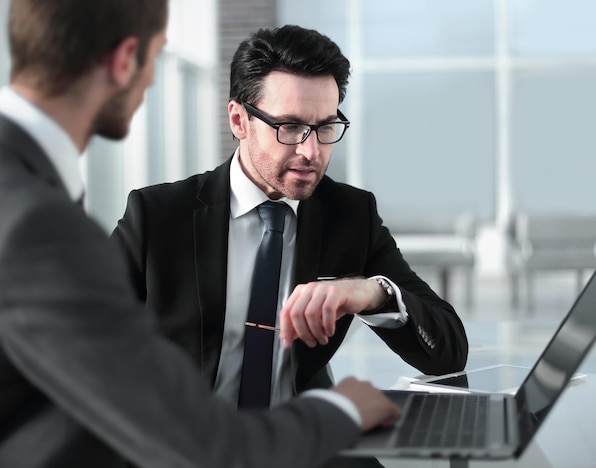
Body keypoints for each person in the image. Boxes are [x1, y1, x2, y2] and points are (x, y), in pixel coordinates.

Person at [0, 2, 402, 468]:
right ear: (125, 60)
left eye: (324, 127)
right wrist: (344, 410)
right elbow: (203, 446)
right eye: (155, 57)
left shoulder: (25, 194)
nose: (153, 81)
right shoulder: (38, 223)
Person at [111, 24, 468, 411]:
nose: (311, 151)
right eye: (291, 127)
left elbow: (449, 350)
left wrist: (369, 293)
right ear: (238, 121)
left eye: (325, 127)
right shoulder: (158, 217)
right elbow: (76, 346)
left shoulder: (349, 216)